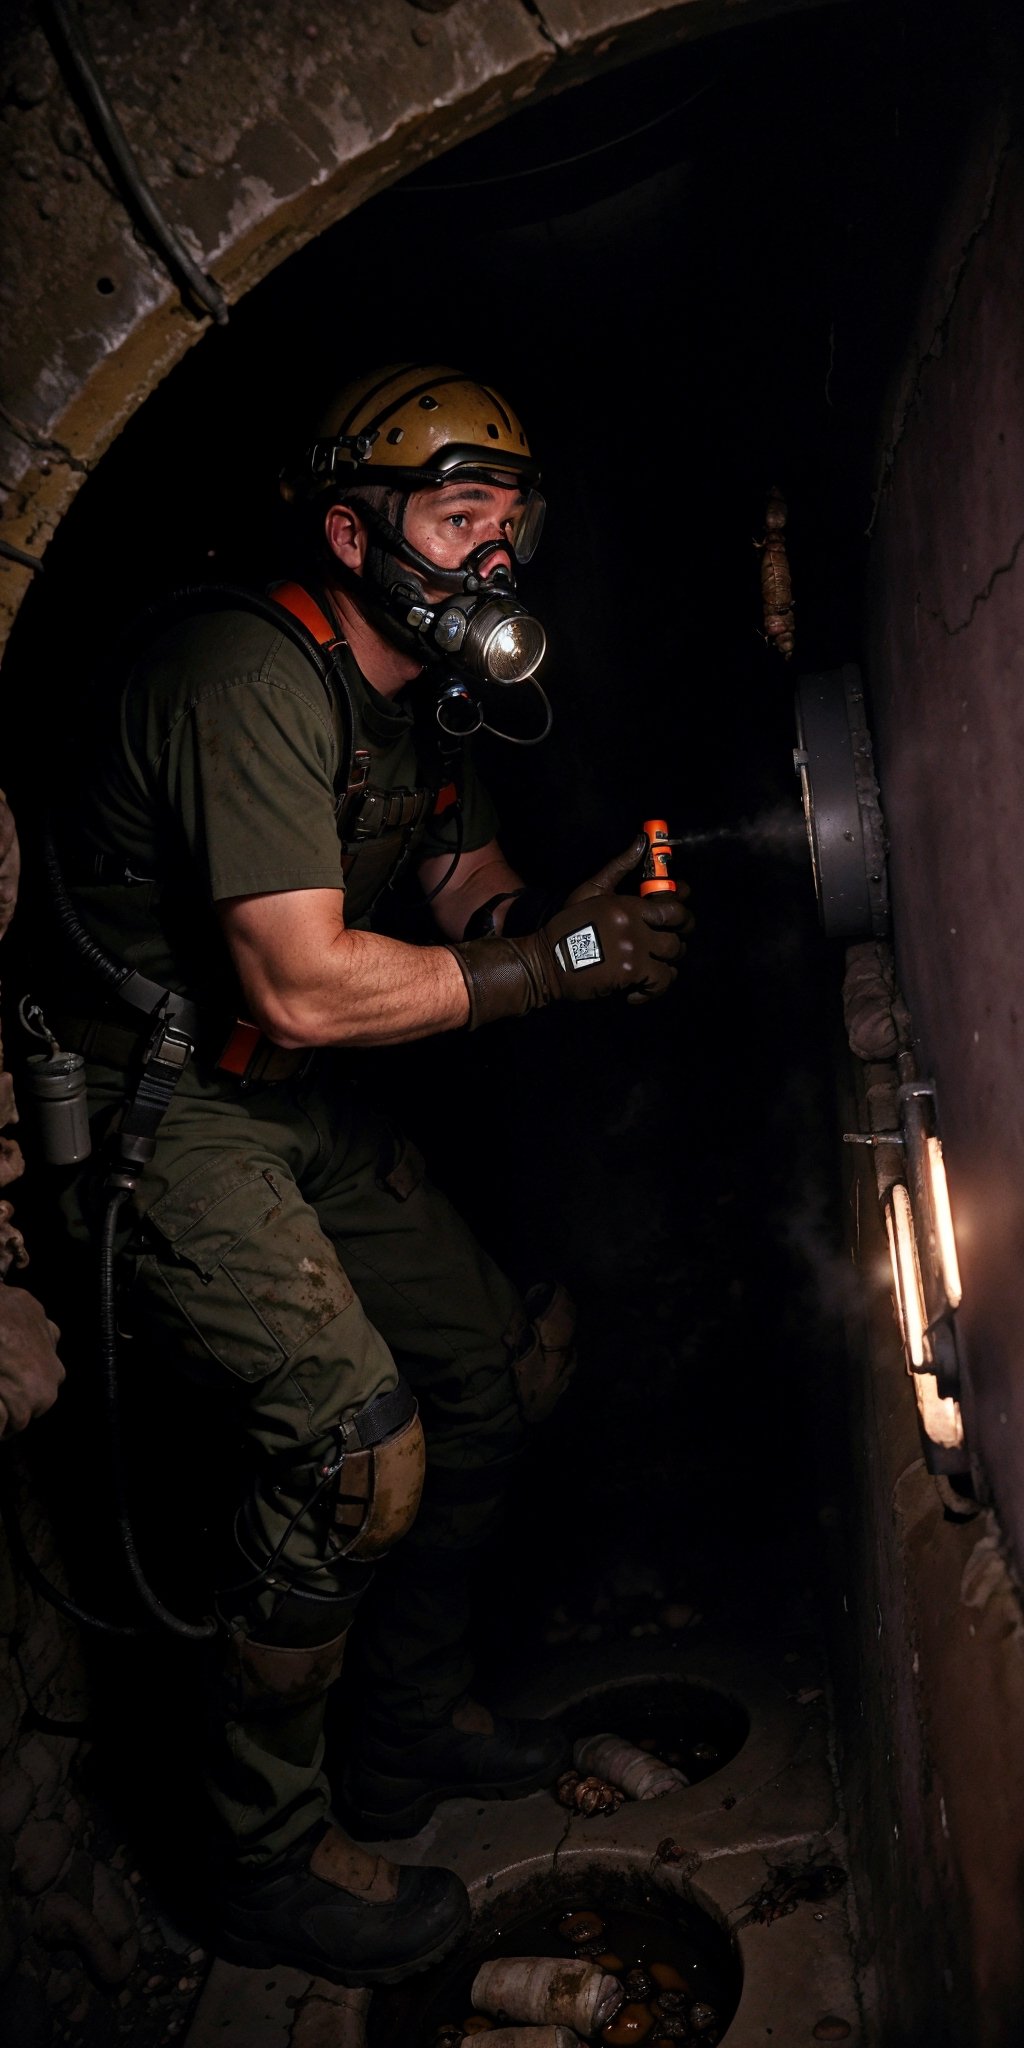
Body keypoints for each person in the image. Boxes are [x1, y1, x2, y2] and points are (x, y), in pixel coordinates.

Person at [46, 365, 689, 1986]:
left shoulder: (415, 696)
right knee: (357, 1459)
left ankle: (405, 1742)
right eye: (457, 521)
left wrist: (564, 926)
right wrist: (552, 972)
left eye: (506, 525)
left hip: (289, 1095)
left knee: (488, 1374)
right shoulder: (246, 669)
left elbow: (468, 888)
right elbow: (301, 983)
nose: (494, 559)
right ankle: (259, 1858)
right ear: (353, 532)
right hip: (163, 1108)